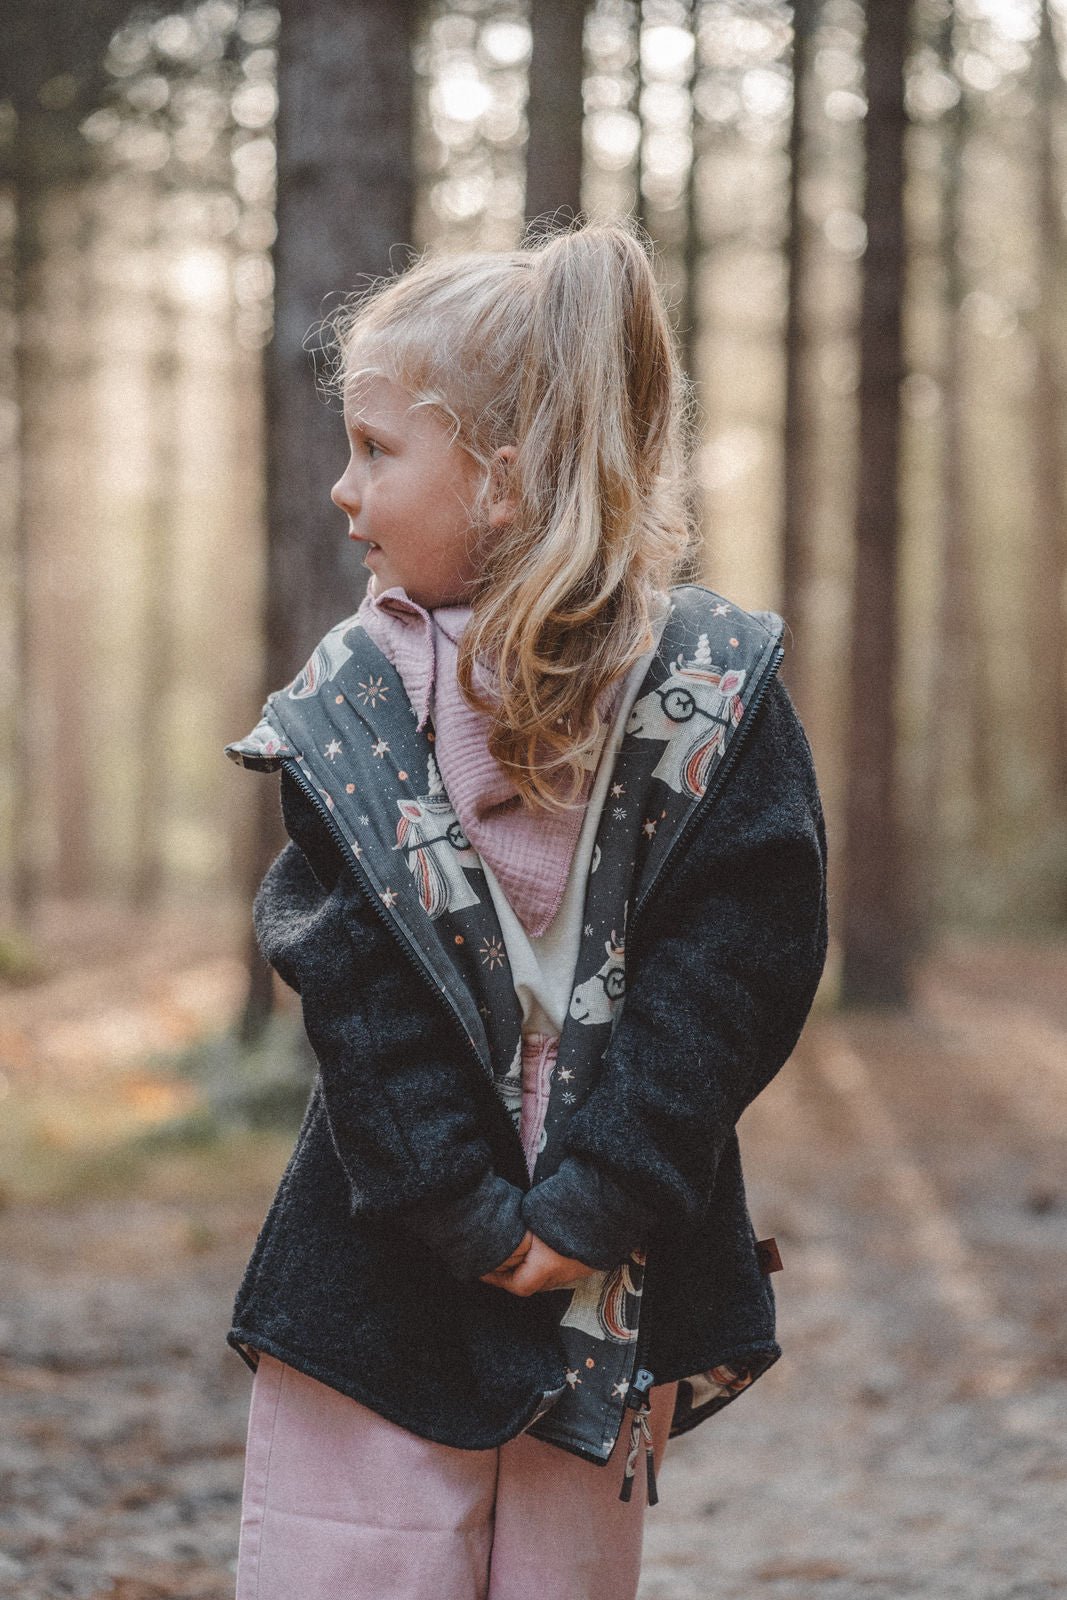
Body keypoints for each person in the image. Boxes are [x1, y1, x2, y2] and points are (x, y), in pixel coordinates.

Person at [224, 222, 829, 1600]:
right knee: (351, 1566)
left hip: (610, 1260)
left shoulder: (707, 695)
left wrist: (595, 1202)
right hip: (384, 1258)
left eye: (378, 449)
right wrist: (473, 1215)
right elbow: (355, 987)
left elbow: (735, 974)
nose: (341, 489)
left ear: (499, 478)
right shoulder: (355, 708)